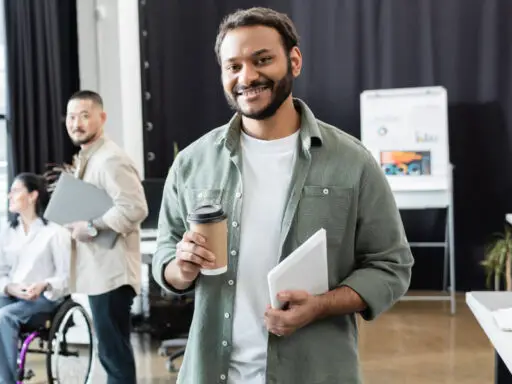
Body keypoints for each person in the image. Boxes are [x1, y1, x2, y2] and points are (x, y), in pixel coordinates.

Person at [152, 7, 414, 384]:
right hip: (212, 372)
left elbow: (392, 265)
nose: (247, 77)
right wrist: (180, 268)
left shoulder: (352, 162)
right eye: (233, 66)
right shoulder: (192, 164)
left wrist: (321, 306)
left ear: (294, 61)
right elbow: (166, 257)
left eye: (262, 60)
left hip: (315, 372)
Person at [64, 90, 148, 384]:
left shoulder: (110, 159)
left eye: (85, 116)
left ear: (102, 118)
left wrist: (91, 226)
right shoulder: (91, 156)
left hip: (112, 273)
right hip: (100, 270)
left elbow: (136, 208)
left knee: (114, 357)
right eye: (71, 117)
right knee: (111, 354)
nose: (76, 123)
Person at [0, 173, 70, 383]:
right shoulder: (9, 231)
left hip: (43, 298)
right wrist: (10, 288)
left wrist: (44, 284)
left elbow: (66, 277)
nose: (10, 195)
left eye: (16, 191)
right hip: (14, 295)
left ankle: (3, 381)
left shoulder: (54, 232)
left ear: (33, 196)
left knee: (3, 318)